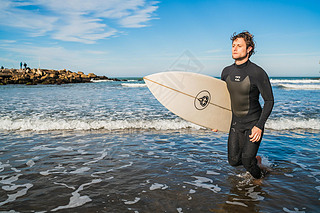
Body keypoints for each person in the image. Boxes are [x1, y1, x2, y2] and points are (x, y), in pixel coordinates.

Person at [220, 31, 274, 179]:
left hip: (253, 123)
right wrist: (216, 120)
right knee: (233, 161)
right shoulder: (226, 72)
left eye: (239, 46)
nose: (234, 48)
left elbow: (269, 101)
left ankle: (260, 179)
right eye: (233, 45)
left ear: (249, 49)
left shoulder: (257, 72)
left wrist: (259, 126)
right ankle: (257, 161)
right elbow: (223, 99)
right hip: (235, 123)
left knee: (247, 161)